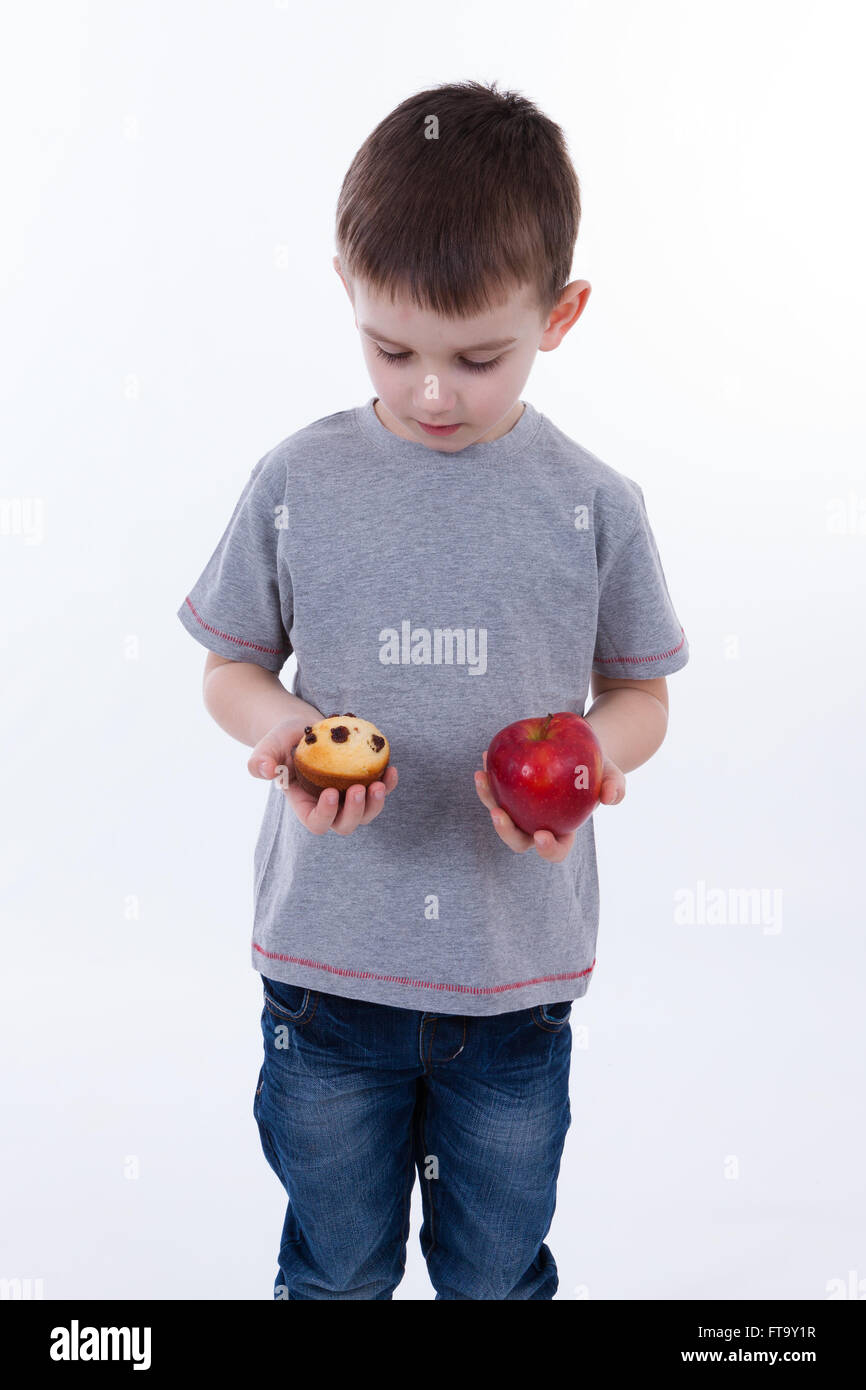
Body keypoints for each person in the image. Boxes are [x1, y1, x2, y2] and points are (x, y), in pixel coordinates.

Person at [176, 80, 689, 1300]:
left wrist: (595, 753)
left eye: (477, 356)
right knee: (335, 1269)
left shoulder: (595, 504)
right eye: (389, 347)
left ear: (558, 315)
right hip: (323, 980)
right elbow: (227, 666)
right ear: (348, 295)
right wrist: (282, 728)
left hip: (514, 992)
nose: (428, 392)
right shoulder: (299, 475)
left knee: (495, 1273)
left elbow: (641, 695)